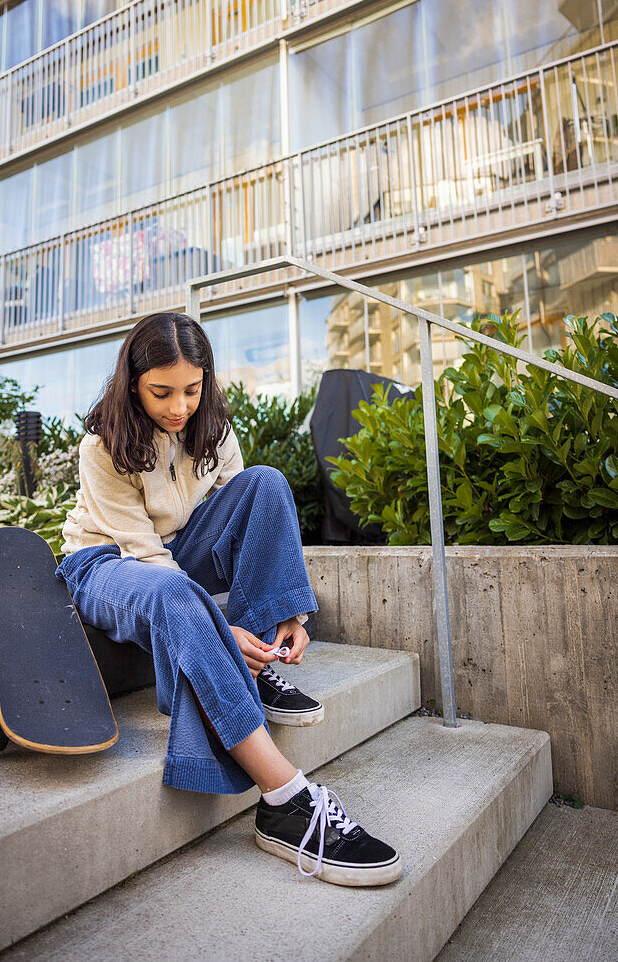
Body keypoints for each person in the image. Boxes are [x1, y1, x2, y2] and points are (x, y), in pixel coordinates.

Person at [55, 312, 402, 887]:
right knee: (171, 589)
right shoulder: (103, 445)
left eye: (192, 389)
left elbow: (242, 513)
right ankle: (286, 797)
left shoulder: (212, 428)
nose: (179, 407)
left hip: (176, 551)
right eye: (161, 392)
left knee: (266, 482)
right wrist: (217, 624)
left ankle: (260, 661)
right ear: (132, 382)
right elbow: (147, 558)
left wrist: (287, 610)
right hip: (107, 561)